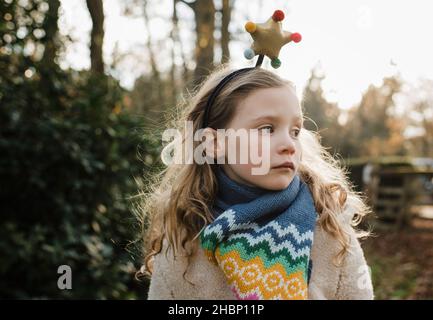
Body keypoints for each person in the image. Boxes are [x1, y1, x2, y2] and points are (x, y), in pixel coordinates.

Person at [138, 65, 374, 300]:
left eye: (295, 131)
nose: (289, 145)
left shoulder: (328, 224)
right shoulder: (183, 239)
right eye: (267, 129)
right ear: (215, 144)